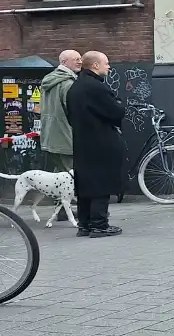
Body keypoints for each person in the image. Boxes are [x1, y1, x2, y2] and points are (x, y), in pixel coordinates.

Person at [66, 51, 125, 238]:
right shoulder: (96, 88)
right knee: (101, 182)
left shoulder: (74, 87)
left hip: (81, 141)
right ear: (95, 66)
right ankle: (99, 224)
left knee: (85, 184)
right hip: (101, 142)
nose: (109, 67)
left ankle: (84, 225)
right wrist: (119, 104)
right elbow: (116, 112)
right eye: (106, 63)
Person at [41, 50, 82, 221]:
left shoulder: (49, 80)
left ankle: (62, 211)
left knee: (60, 174)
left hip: (50, 136)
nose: (80, 61)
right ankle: (76, 210)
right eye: (76, 59)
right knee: (73, 174)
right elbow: (74, 112)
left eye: (80, 58)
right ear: (64, 62)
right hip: (65, 137)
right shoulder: (68, 84)